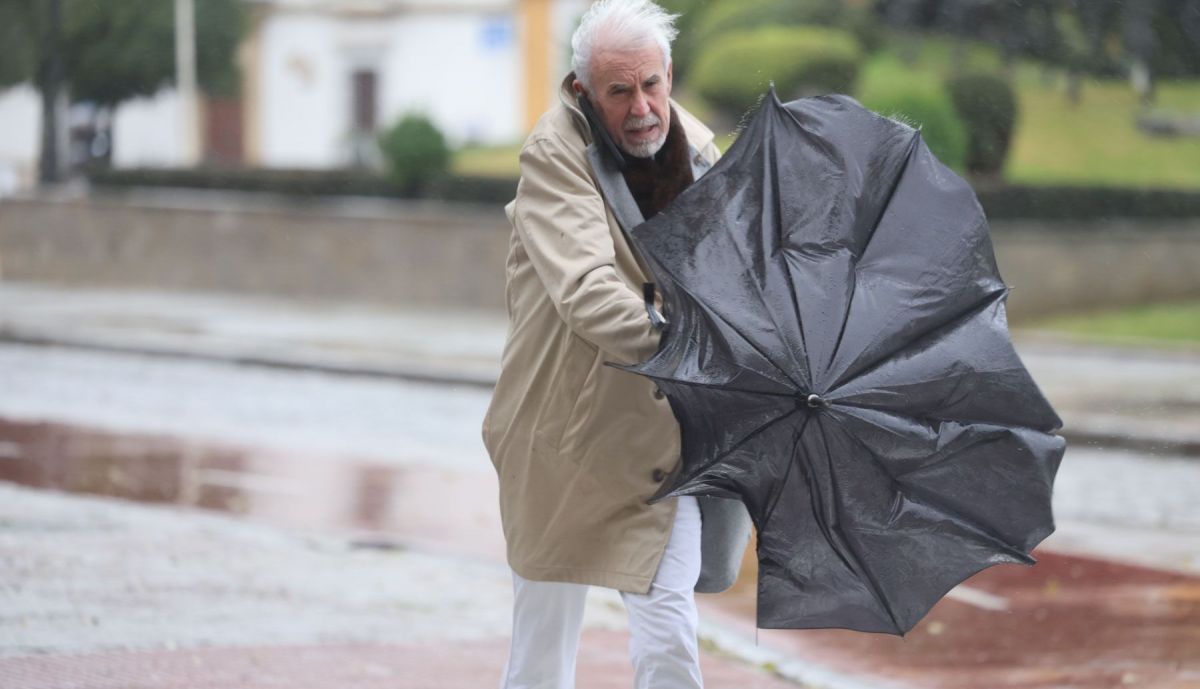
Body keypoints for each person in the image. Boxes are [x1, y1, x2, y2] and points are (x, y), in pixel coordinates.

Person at [481, 1, 750, 687]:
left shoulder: (697, 150)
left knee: (669, 641)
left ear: (670, 75)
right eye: (619, 91)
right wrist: (689, 343)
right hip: (562, 443)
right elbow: (586, 291)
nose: (641, 109)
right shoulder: (553, 154)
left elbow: (733, 275)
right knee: (541, 659)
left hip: (661, 445)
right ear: (582, 92)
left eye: (651, 84)